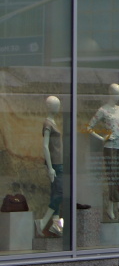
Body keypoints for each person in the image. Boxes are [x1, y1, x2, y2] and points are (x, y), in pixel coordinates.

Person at [88, 83, 119, 223]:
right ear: (110, 93)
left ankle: (110, 208)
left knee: (116, 178)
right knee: (112, 177)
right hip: (110, 146)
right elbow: (89, 127)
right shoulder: (103, 110)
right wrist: (102, 138)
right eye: (116, 93)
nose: (118, 97)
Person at [39, 96, 65, 238]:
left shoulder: (52, 122)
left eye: (58, 105)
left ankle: (56, 226)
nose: (58, 107)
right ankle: (43, 222)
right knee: (60, 193)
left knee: (55, 194)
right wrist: (50, 167)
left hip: (58, 163)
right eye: (56, 105)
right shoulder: (48, 124)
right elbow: (45, 146)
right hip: (55, 164)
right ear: (49, 106)